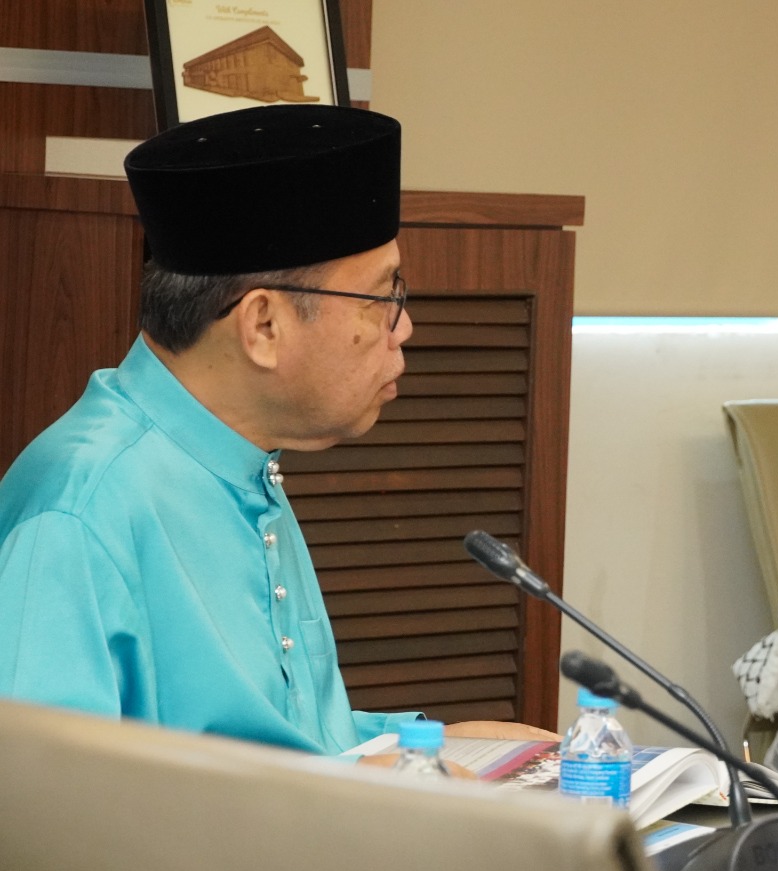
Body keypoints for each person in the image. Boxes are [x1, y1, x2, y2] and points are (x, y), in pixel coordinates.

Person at [0, 104, 551, 757]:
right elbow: (40, 805)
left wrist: (425, 743)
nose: (403, 328)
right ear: (263, 325)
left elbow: (268, 740)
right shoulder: (79, 512)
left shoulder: (239, 461)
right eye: (383, 299)